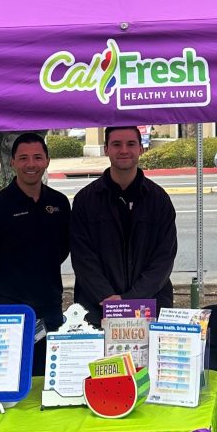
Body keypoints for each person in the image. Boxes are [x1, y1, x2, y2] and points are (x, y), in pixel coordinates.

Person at [0, 131, 71, 328]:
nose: (31, 164)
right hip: (9, 314)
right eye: (23, 158)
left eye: (37, 157)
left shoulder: (58, 202)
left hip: (51, 309)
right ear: (13, 162)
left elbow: (62, 249)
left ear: (47, 161)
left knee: (46, 360)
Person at [70, 126, 177, 326]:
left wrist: (129, 301)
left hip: (150, 304)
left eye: (131, 144)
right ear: (106, 149)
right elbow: (82, 257)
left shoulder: (159, 199)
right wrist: (108, 297)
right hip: (97, 307)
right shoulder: (85, 200)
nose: (124, 150)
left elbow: (164, 258)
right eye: (116, 144)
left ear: (141, 149)